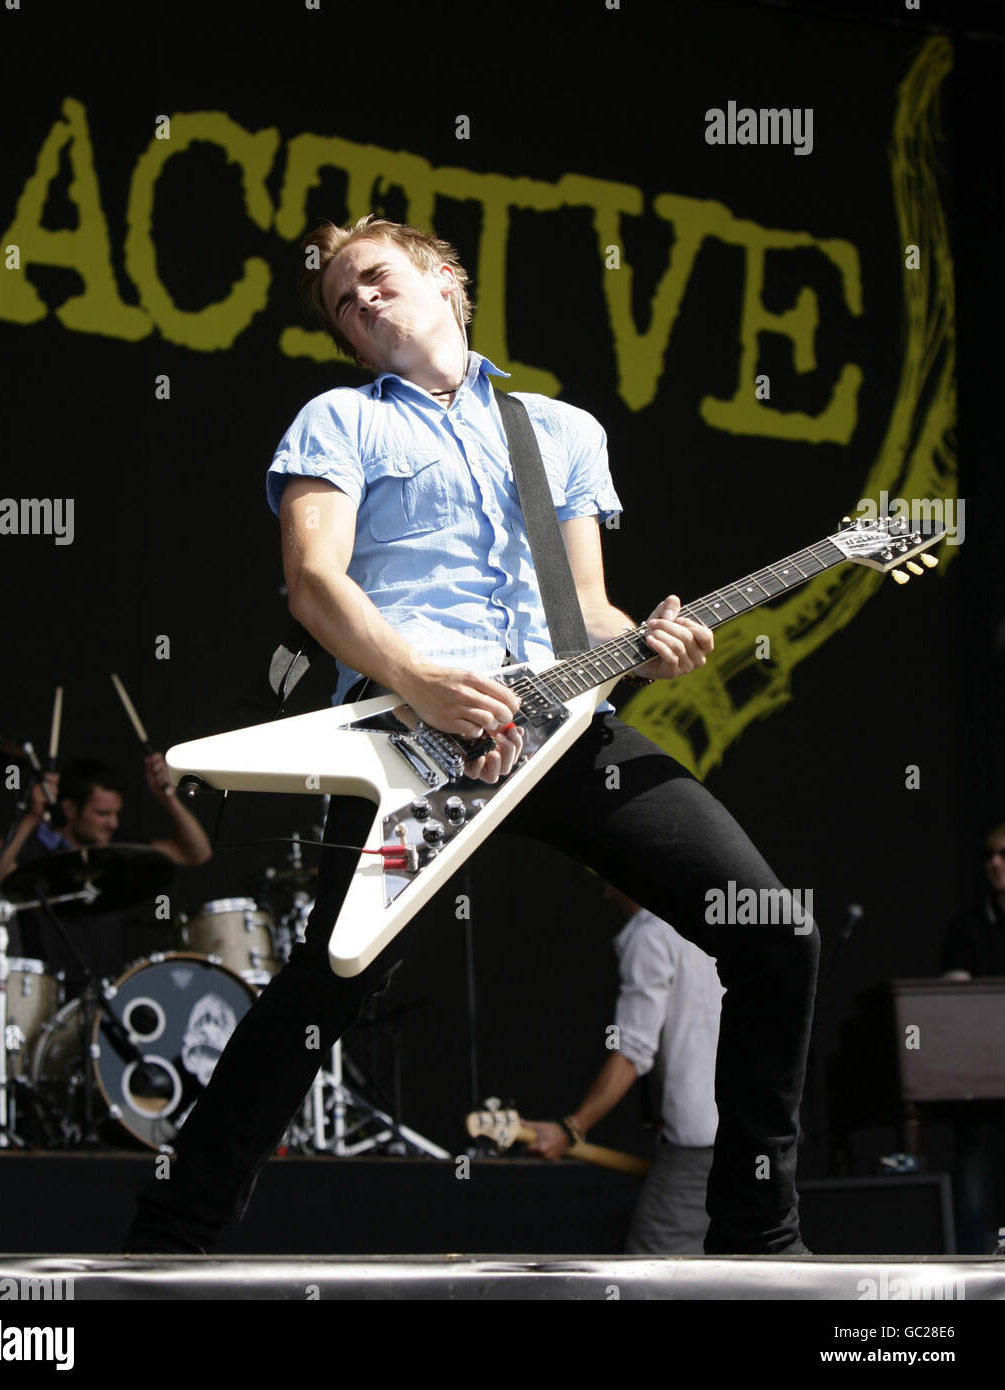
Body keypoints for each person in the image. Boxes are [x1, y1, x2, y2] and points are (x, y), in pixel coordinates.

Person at [124, 215, 819, 1256]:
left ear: (445, 278)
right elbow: (315, 585)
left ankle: (758, 1237)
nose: (357, 303)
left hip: (565, 731)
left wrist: (650, 639)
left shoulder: (559, 432)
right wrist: (417, 682)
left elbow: (585, 608)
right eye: (341, 306)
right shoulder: (339, 421)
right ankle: (171, 1233)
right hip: (419, 741)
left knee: (772, 930)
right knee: (324, 986)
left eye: (373, 278)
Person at [526, 886, 722, 1254]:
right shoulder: (717, 921)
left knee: (652, 1271)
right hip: (760, 1136)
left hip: (702, 1145)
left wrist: (573, 1128)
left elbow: (632, 1049)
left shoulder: (653, 935)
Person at [0, 755, 212, 982]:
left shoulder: (118, 846)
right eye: (102, 814)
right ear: (69, 809)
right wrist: (31, 816)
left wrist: (168, 799)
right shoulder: (34, 848)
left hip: (107, 991)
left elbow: (197, 853)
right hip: (46, 992)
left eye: (116, 813)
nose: (113, 823)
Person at [940, 820, 1005, 1253]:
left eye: (1003, 854)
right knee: (972, 1167)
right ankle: (971, 1269)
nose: (994, 864)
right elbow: (952, 1005)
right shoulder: (967, 927)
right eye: (988, 856)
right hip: (980, 1077)